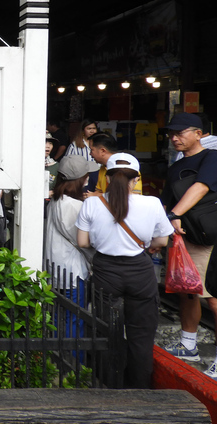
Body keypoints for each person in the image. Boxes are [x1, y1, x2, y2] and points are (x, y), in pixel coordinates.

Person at [76, 153, 173, 388]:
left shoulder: (91, 203)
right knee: (141, 336)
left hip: (105, 271)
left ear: (107, 178)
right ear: (136, 179)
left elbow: (82, 242)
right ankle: (139, 388)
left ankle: (110, 384)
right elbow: (162, 241)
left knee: (107, 331)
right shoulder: (152, 203)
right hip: (139, 271)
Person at [160, 112, 217, 379]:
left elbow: (202, 187)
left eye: (181, 132)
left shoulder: (212, 158)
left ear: (199, 134)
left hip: (211, 238)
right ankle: (188, 344)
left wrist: (174, 215)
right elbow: (166, 202)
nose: (174, 137)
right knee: (188, 291)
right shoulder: (173, 168)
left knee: (214, 298)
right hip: (187, 238)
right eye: (172, 133)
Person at [45, 155, 99, 346]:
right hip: (73, 272)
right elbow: (83, 241)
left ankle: (61, 361)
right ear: (80, 179)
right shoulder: (75, 206)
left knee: (61, 318)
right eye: (86, 176)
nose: (88, 179)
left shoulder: (57, 200)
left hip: (57, 268)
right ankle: (73, 366)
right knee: (74, 320)